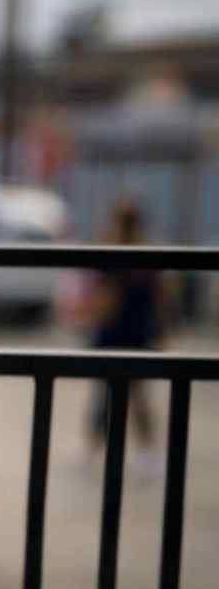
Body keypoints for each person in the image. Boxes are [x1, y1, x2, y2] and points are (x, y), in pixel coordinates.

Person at [83, 194, 172, 466]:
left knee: (112, 394)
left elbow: (103, 298)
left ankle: (96, 448)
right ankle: (128, 448)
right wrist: (162, 329)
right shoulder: (144, 253)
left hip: (119, 332)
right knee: (129, 394)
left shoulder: (113, 252)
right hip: (133, 331)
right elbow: (160, 297)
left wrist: (93, 317)